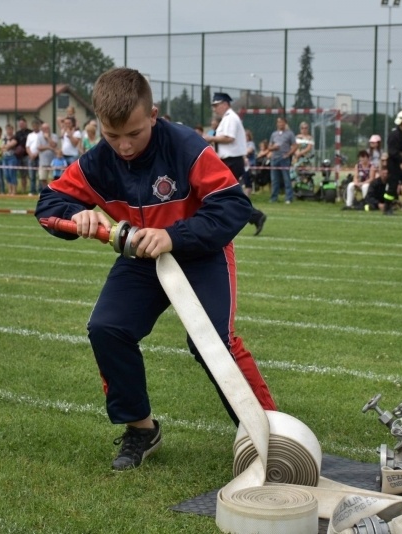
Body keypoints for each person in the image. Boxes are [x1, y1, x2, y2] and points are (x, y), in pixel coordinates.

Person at [35, 67, 277, 471]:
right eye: (112, 136)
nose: (124, 146)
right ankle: (142, 429)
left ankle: (272, 433)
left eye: (134, 133)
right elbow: (48, 206)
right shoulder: (96, 162)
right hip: (141, 260)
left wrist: (174, 236)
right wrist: (78, 217)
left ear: (153, 115)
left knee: (211, 341)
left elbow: (233, 204)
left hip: (201, 253)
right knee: (107, 328)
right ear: (98, 124)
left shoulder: (185, 145)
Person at [204, 92, 268, 235]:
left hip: (232, 160)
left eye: (217, 105)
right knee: (228, 195)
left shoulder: (231, 118)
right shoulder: (227, 118)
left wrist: (210, 138)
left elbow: (229, 138)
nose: (215, 108)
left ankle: (255, 216)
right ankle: (255, 216)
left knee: (224, 194)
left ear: (225, 104)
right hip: (229, 160)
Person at [268, 116, 297, 204]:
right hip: (274, 158)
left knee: (286, 179)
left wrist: (288, 154)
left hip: (284, 159)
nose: (280, 124)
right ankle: (274, 198)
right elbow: (269, 147)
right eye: (278, 122)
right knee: (274, 179)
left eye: (282, 122)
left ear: (285, 123)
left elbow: (295, 146)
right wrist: (273, 148)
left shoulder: (290, 134)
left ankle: (288, 198)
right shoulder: (274, 134)